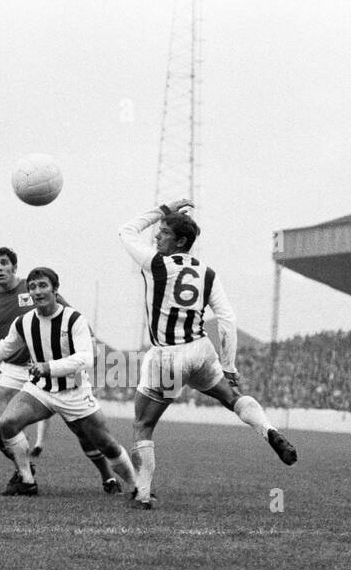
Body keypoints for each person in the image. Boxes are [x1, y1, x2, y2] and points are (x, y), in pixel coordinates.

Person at [117, 199, 297, 509]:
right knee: (232, 397)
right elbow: (227, 319)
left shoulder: (155, 263)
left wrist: (163, 209)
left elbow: (126, 230)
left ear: (180, 241)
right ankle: (269, 431)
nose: (156, 238)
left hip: (169, 357)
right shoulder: (207, 273)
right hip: (201, 350)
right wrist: (228, 364)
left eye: (163, 233)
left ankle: (143, 495)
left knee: (143, 425)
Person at [0, 267, 138, 498]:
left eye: (43, 286)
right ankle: (26, 480)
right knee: (7, 423)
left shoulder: (74, 320)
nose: (37, 291)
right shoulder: (23, 322)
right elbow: (5, 347)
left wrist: (48, 367)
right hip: (41, 390)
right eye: (33, 287)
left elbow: (86, 358)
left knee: (107, 444)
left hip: (73, 392)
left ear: (55, 290)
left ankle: (137, 487)